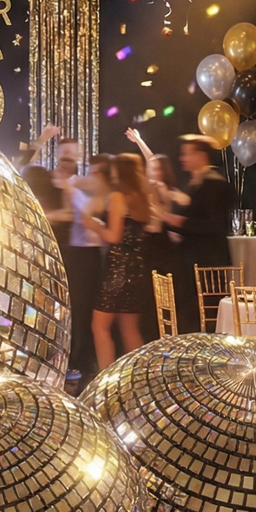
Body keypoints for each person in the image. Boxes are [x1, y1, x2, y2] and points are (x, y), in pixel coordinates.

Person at [85, 153, 153, 369]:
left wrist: (93, 224)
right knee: (130, 328)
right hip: (138, 267)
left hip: (118, 269)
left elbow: (114, 236)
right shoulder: (141, 198)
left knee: (100, 326)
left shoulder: (117, 197)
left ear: (118, 172)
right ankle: (138, 377)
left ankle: (105, 379)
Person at [126, 127, 191, 334]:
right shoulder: (146, 186)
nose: (154, 171)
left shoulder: (165, 189)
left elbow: (183, 200)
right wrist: (139, 141)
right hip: (147, 245)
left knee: (166, 293)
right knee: (149, 295)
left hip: (162, 246)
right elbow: (151, 159)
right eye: (152, 169)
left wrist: (163, 206)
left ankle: (168, 333)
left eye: (158, 169)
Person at [168, 134, 233, 332]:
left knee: (203, 319)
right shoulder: (197, 183)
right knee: (190, 316)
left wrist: (179, 222)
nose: (182, 159)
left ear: (200, 155)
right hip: (192, 261)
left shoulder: (214, 183)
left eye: (186, 154)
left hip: (207, 263)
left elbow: (214, 226)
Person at [63, 149, 110, 378]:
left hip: (89, 257)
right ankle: (79, 359)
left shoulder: (105, 194)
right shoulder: (90, 189)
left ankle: (83, 362)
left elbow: (85, 215)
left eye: (95, 171)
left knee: (84, 310)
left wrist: (73, 190)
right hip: (80, 255)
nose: (91, 175)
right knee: (78, 310)